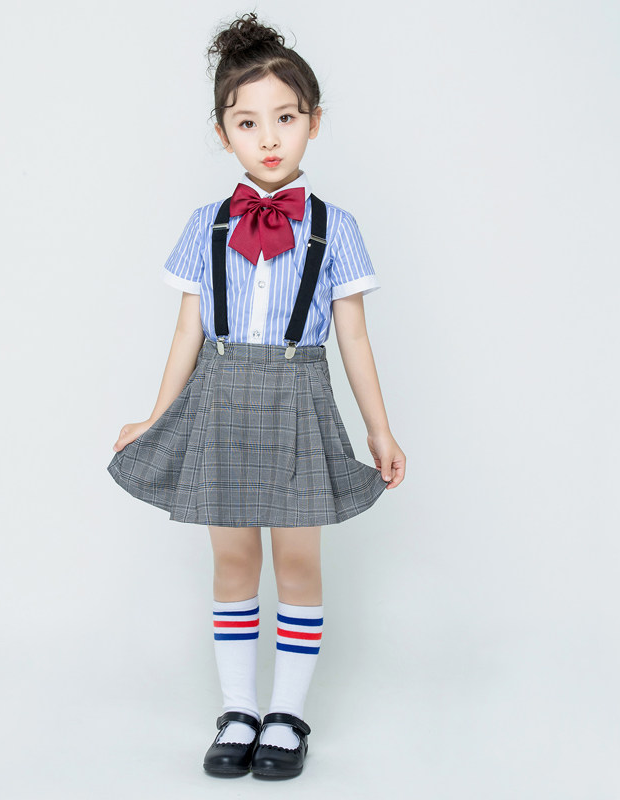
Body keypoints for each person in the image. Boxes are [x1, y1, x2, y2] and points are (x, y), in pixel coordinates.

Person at [107, 11, 406, 780]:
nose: (268, 137)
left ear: (314, 122)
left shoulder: (336, 229)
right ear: (223, 133)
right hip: (220, 400)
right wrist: (157, 417)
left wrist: (380, 432)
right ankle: (239, 709)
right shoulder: (205, 226)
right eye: (247, 122)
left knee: (298, 562)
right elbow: (187, 332)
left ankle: (288, 715)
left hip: (300, 398)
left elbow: (354, 339)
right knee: (234, 559)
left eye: (285, 118)